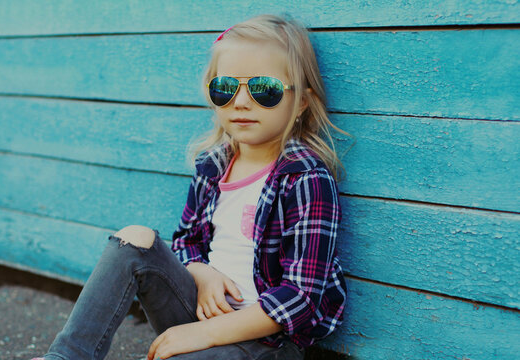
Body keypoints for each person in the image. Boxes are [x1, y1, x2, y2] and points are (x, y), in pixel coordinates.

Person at [33, 14, 347, 360]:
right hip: (199, 315)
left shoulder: (305, 178)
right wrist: (202, 272)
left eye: (264, 89)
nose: (241, 102)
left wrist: (206, 333)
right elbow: (186, 240)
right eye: (226, 88)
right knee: (135, 238)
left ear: (301, 101)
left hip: (266, 343)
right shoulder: (213, 165)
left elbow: (301, 297)